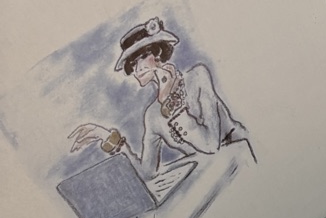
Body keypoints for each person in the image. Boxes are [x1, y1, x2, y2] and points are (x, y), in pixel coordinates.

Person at [67, 17, 253, 173]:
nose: (137, 69)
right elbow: (147, 173)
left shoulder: (198, 76)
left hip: (239, 157)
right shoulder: (152, 115)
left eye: (142, 58)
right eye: (132, 64)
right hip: (209, 172)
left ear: (158, 54)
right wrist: (108, 137)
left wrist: (170, 105)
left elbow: (211, 145)